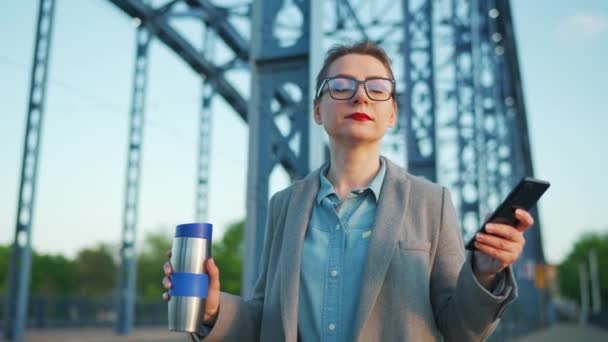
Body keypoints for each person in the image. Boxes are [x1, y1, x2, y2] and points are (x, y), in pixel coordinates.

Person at [162, 40, 534, 341]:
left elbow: (460, 330)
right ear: (317, 111)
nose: (360, 97)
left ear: (392, 114)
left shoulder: (430, 202)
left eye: (377, 88)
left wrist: (484, 273)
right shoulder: (284, 206)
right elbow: (267, 320)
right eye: (340, 86)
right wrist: (212, 309)